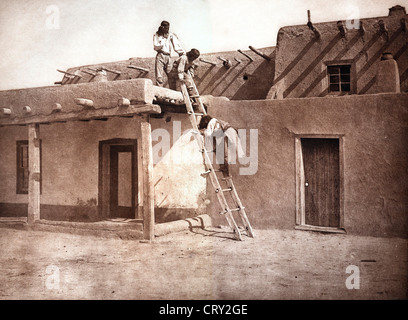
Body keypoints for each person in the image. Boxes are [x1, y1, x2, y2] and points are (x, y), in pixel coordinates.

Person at [153, 20, 185, 87]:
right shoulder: (157, 35)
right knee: (159, 78)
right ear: (162, 27)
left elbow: (176, 44)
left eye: (168, 28)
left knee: (171, 76)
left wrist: (182, 53)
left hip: (168, 57)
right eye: (166, 28)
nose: (167, 30)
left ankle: (173, 94)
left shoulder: (170, 35)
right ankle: (159, 95)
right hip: (160, 56)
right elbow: (156, 47)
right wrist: (163, 39)